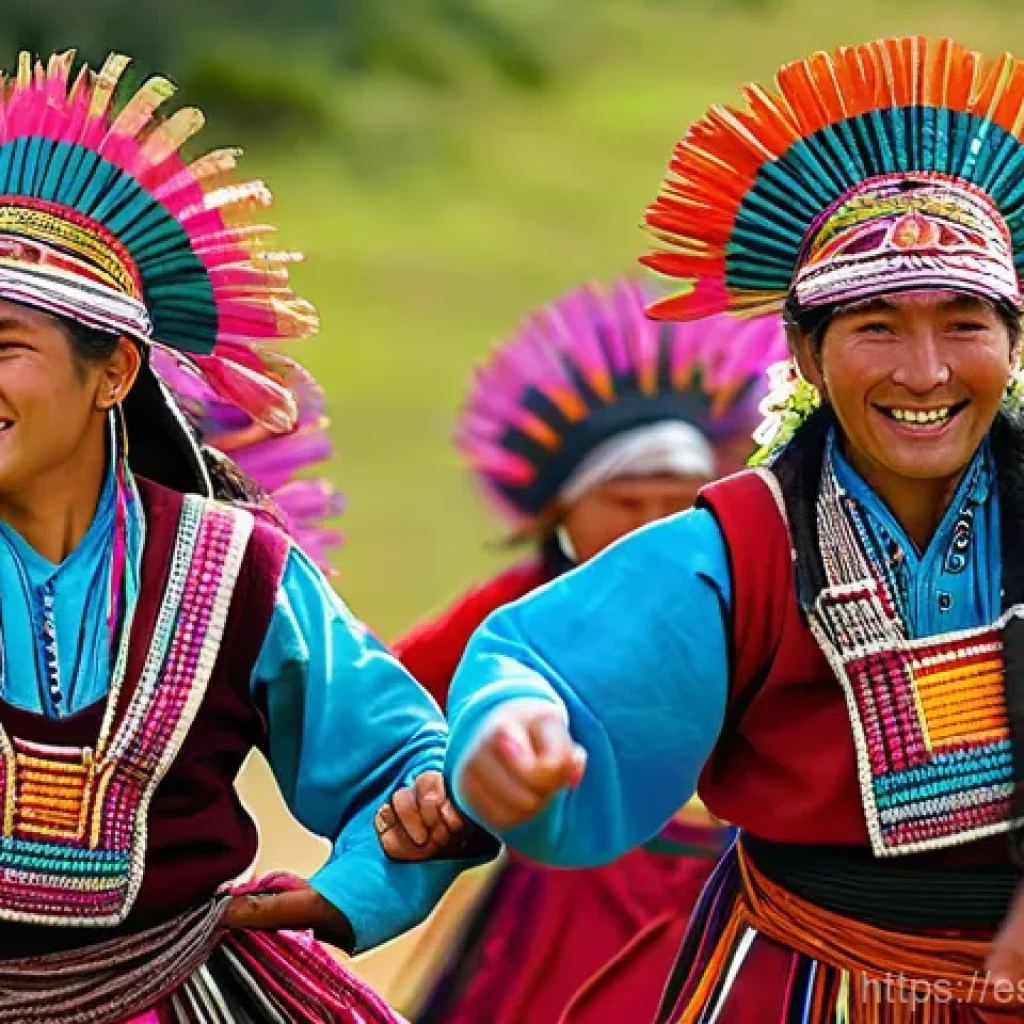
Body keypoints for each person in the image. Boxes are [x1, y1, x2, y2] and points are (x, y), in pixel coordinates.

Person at [443, 36, 1024, 1021]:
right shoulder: (741, 544)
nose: (923, 371)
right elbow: (534, 662)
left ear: (1013, 342)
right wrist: (509, 737)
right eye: (875, 326)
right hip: (797, 976)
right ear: (802, 352)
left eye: (964, 322)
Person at [0, 50, 476, 1024]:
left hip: (176, 995)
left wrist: (354, 885)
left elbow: (400, 764)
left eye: (5, 346)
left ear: (115, 371)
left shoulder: (233, 572)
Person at [382, 279, 783, 1023]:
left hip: (740, 905)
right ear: (563, 511)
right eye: (626, 503)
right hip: (567, 903)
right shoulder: (521, 607)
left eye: (680, 500)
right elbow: (384, 704)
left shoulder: (756, 598)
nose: (654, 524)